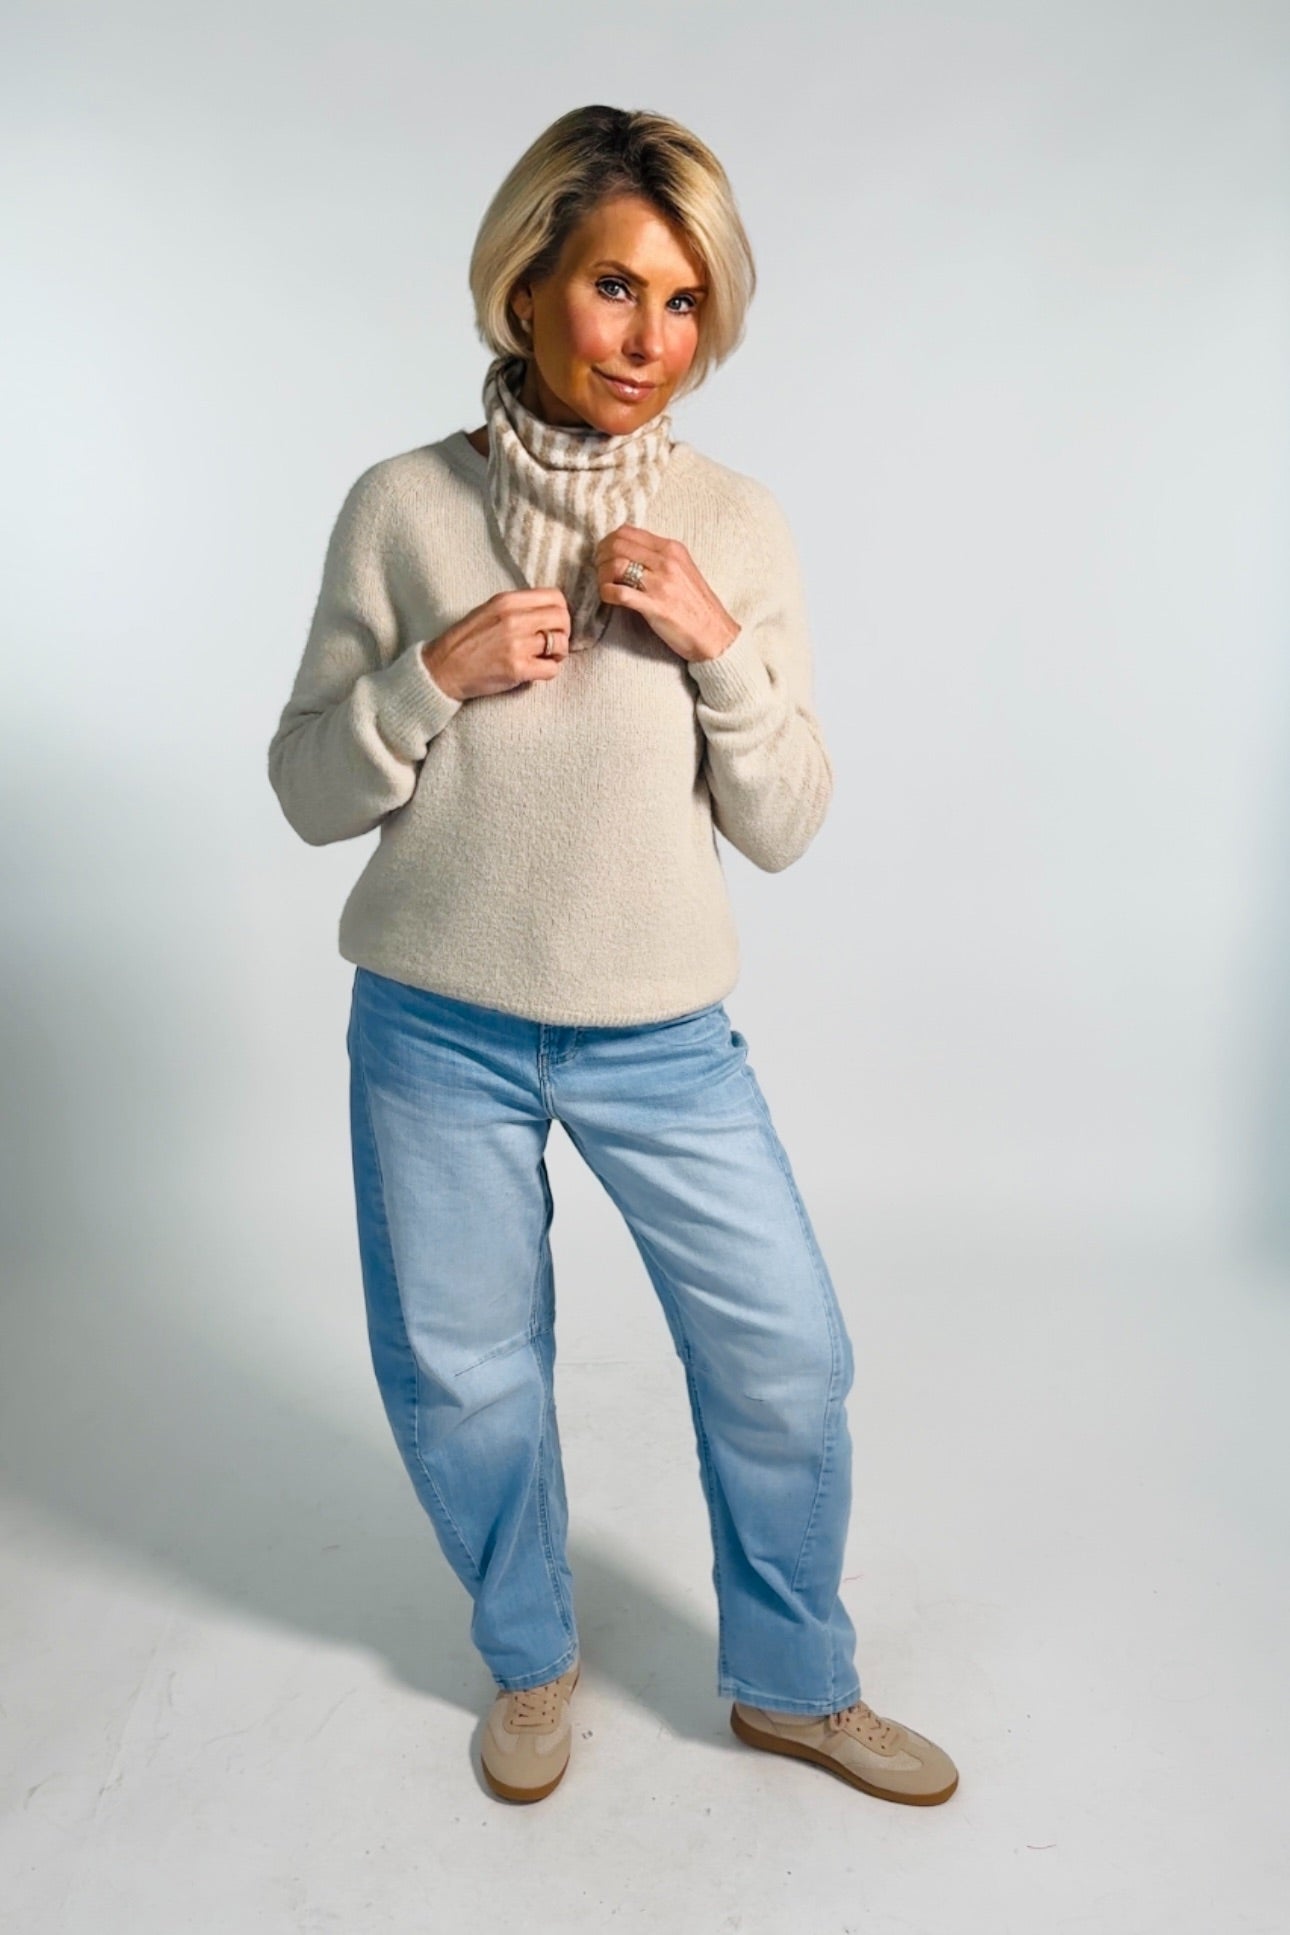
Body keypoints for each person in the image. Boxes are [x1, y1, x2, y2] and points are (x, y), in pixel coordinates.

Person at [267, 103, 958, 1809]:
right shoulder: (402, 506)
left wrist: (717, 647)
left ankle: (793, 1686)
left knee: (784, 1356)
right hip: (434, 1025)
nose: (649, 338)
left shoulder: (737, 524)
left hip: (660, 1035)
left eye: (683, 300)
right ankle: (530, 1658)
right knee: (466, 1374)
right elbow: (305, 790)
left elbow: (785, 822)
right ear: (526, 289)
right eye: (613, 287)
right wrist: (430, 677)